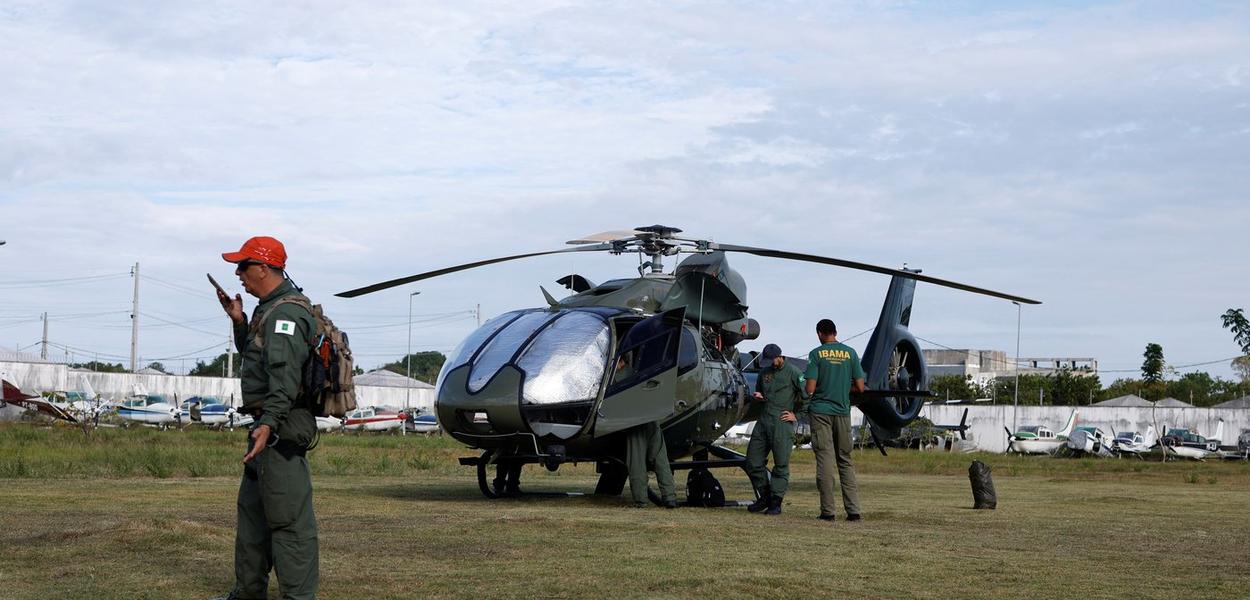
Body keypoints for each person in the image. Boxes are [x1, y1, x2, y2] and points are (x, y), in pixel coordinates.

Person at [214, 236, 319, 600]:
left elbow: (284, 378)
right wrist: (239, 322)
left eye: (243, 266)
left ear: (262, 268)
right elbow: (257, 357)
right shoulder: (268, 309)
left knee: (288, 521)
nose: (238, 274)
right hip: (266, 426)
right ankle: (248, 592)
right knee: (252, 517)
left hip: (280, 428)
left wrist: (269, 423)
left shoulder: (286, 314)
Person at [804, 319, 866, 522]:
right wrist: (843, 387)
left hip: (820, 411)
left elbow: (810, 389)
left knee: (825, 460)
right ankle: (853, 511)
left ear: (820, 333)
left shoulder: (816, 354)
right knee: (845, 460)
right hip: (842, 411)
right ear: (836, 332)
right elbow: (860, 387)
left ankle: (828, 512)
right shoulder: (851, 353)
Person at [745, 343, 806, 516]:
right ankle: (765, 497)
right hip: (763, 421)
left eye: (772, 360)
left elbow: (807, 397)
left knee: (781, 465)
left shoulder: (794, 372)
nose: (770, 364)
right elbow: (760, 391)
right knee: (752, 461)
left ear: (780, 357)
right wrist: (759, 397)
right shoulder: (764, 372)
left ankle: (776, 502)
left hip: (781, 423)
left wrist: (797, 415)